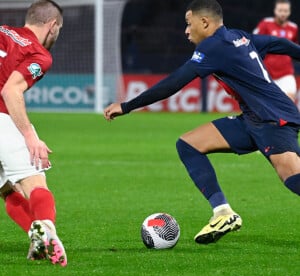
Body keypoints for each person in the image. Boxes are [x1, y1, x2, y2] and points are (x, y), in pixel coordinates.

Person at [104, 0, 300, 244]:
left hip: (272, 119)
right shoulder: (237, 37)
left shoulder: (213, 47)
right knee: (189, 144)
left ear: (204, 22)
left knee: (292, 178)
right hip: (253, 119)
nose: (186, 30)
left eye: (189, 23)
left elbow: (174, 82)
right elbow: (275, 43)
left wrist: (127, 106)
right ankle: (223, 212)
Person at [0, 0, 67, 266]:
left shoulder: (3, 31)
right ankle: (48, 232)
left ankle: (36, 235)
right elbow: (10, 91)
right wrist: (30, 136)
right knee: (34, 184)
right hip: (2, 118)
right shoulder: (39, 54)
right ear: (52, 25)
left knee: (6, 189)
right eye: (59, 29)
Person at [253, 0, 298, 101]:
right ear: (275, 11)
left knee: (289, 104)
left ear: (289, 12)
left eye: (285, 11)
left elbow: (293, 48)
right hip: (267, 75)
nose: (283, 13)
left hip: (286, 74)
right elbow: (253, 42)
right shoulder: (265, 24)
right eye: (280, 10)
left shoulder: (293, 28)